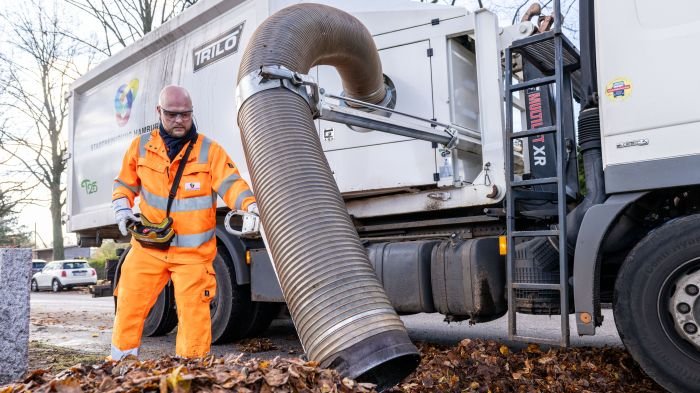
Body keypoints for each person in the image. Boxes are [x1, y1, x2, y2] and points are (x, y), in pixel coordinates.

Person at [110, 85, 258, 359]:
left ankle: (190, 379)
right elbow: (124, 183)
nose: (179, 120)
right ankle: (121, 368)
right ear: (159, 112)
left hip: (193, 257)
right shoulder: (141, 147)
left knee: (194, 321)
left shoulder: (209, 151)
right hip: (148, 248)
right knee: (129, 306)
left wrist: (251, 206)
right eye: (172, 114)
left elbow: (232, 184)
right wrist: (122, 209)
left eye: (185, 115)